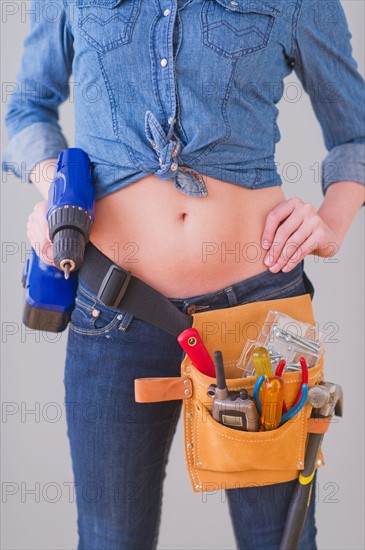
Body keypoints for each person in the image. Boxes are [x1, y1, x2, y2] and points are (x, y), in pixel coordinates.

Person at [2, 1, 364, 548]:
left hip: (258, 313)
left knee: (280, 540)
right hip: (112, 306)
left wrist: (332, 221)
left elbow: (355, 134)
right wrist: (59, 190)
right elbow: (27, 106)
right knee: (110, 539)